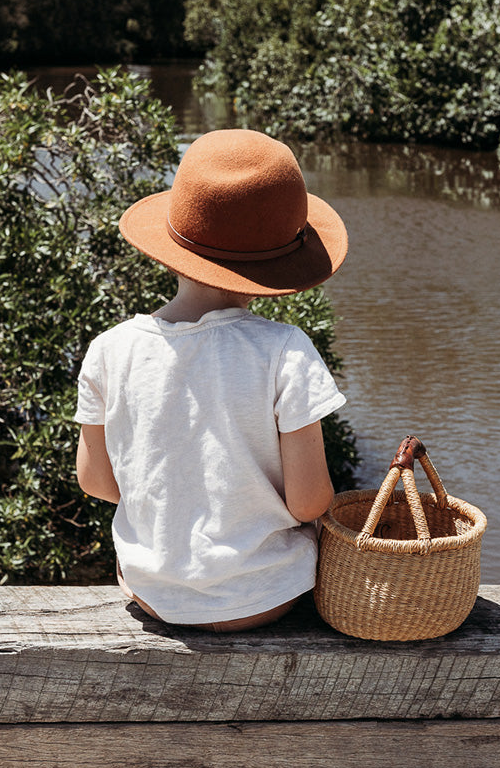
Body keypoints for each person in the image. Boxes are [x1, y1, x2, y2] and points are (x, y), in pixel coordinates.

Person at [75, 128, 348, 632]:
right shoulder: (284, 350)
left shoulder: (109, 350)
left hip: (151, 594)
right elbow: (309, 503)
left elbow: (96, 482)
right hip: (264, 598)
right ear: (282, 259)